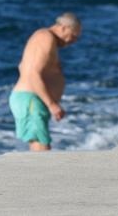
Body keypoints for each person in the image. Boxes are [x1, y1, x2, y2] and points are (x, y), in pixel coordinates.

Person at [9, 12, 81, 151]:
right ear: (64, 28)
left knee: (40, 146)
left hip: (33, 100)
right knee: (41, 149)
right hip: (31, 99)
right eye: (73, 36)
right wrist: (52, 104)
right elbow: (33, 73)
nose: (73, 41)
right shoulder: (45, 37)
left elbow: (23, 66)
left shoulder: (46, 39)